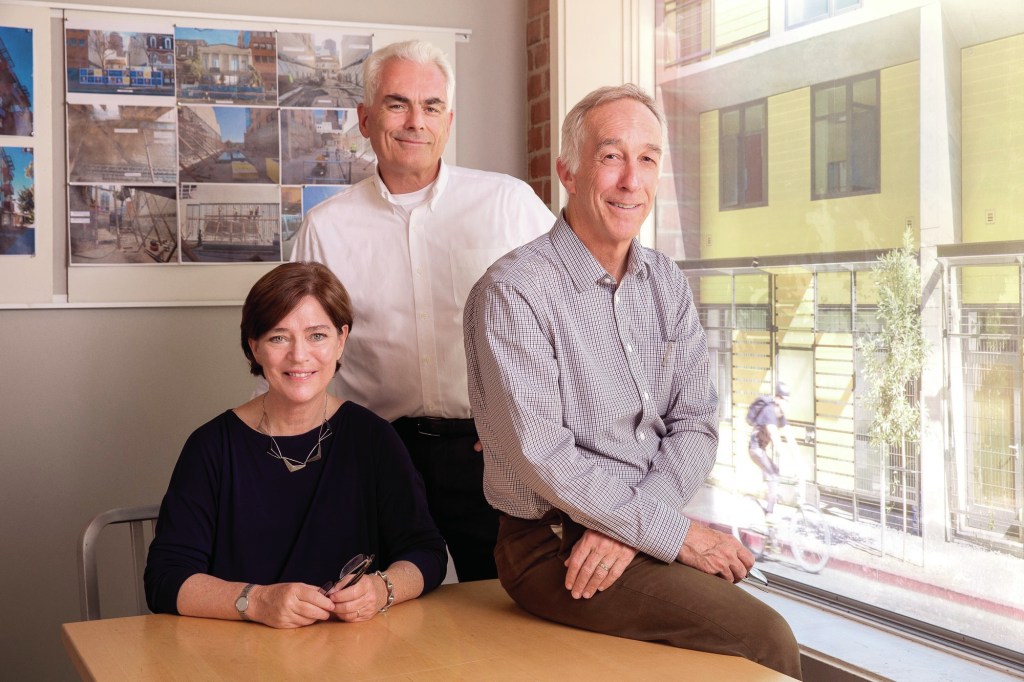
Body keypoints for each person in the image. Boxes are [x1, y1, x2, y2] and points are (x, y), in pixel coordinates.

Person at [463, 85, 802, 678]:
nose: (632, 180)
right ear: (567, 171)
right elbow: (545, 455)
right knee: (764, 639)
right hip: (551, 545)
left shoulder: (665, 282)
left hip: (625, 526)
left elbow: (695, 422)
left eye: (647, 159)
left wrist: (637, 529)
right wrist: (667, 533)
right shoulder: (513, 292)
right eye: (611, 155)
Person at [287, 40, 554, 582]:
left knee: (509, 610)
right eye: (396, 104)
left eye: (431, 107)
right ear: (364, 119)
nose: (415, 122)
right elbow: (300, 355)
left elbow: (574, 322)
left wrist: (534, 418)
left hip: (493, 451)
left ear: (448, 120)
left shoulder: (510, 205)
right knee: (378, 618)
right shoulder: (327, 228)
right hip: (378, 452)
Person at [145, 262, 447, 628]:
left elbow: (426, 552)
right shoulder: (211, 447)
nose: (299, 355)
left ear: (341, 340)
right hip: (234, 655)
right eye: (278, 337)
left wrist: (382, 589)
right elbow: (165, 579)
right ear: (254, 348)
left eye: (317, 335)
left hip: (353, 656)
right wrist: (255, 601)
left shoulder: (375, 438)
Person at [748, 382, 798, 514]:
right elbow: (774, 436)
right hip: (755, 449)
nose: (786, 404)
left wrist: (799, 459)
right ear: (778, 399)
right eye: (784, 400)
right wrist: (787, 461)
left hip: (761, 450)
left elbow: (789, 436)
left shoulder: (779, 414)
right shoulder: (769, 411)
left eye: (788, 401)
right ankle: (769, 514)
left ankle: (768, 494)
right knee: (774, 475)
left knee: (773, 476)